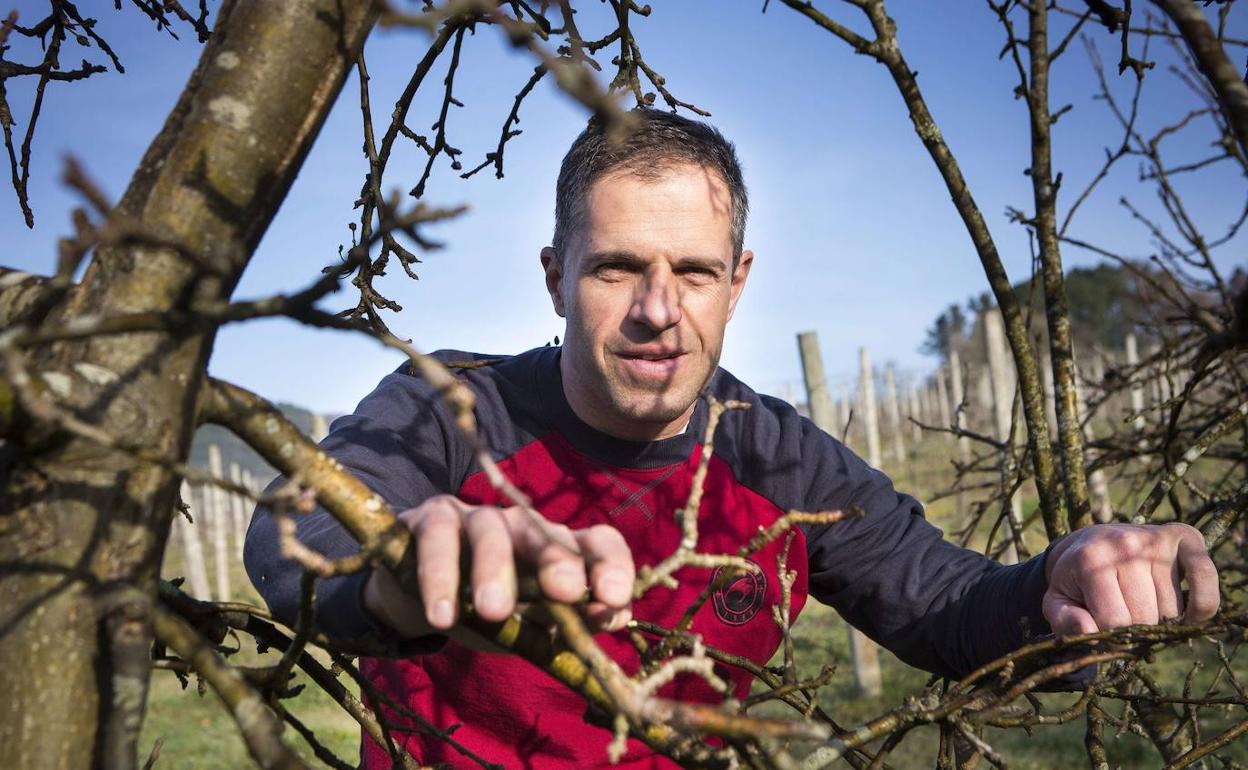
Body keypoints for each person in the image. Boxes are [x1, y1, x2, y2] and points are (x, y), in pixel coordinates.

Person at [244, 108, 1220, 769]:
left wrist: (1061, 590)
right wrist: (398, 567)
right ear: (554, 276)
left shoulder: (775, 458)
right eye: (618, 267)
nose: (658, 310)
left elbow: (947, 602)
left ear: (738, 280)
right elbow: (295, 536)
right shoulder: (448, 410)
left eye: (695, 272)